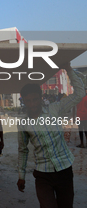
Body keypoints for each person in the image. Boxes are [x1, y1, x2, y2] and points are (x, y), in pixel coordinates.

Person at [17, 62, 85, 208]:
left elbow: (80, 93)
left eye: (35, 99)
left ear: (41, 97)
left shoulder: (55, 109)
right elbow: (23, 150)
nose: (32, 104)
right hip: (42, 173)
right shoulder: (23, 123)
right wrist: (21, 176)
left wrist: (68, 69)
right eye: (28, 101)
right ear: (24, 101)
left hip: (64, 170)